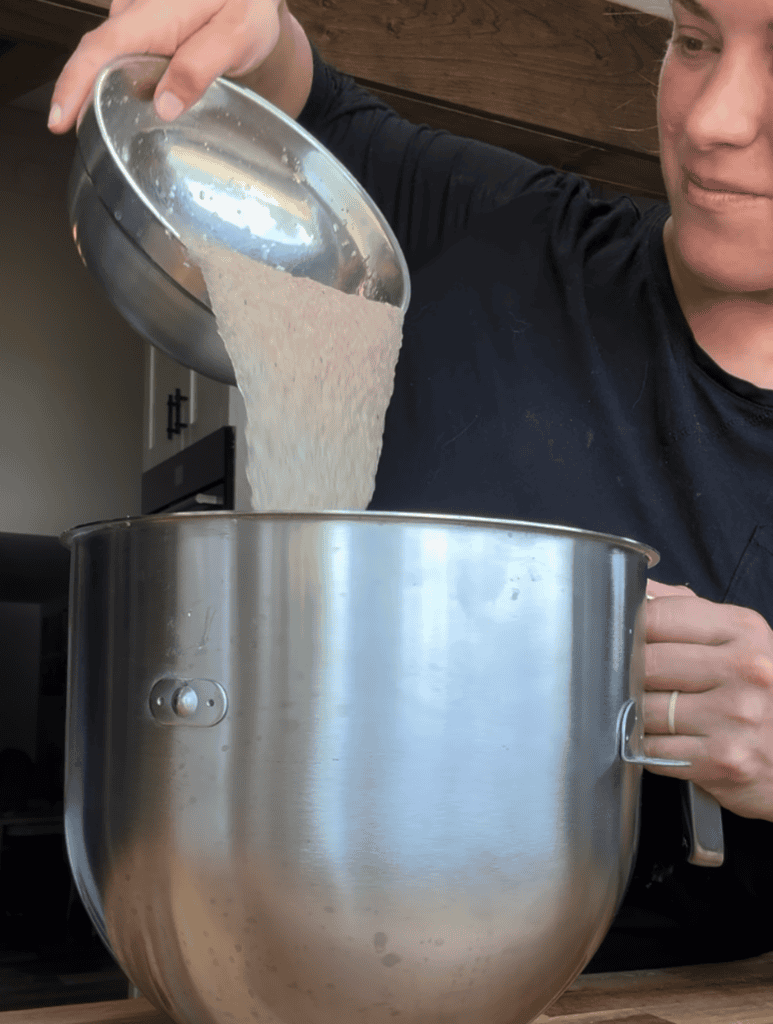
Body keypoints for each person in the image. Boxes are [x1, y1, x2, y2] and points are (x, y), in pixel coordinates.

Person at [48, 0, 773, 971]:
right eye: (691, 39)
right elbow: (316, 122)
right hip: (261, 960)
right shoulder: (512, 235)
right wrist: (256, 34)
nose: (712, 118)